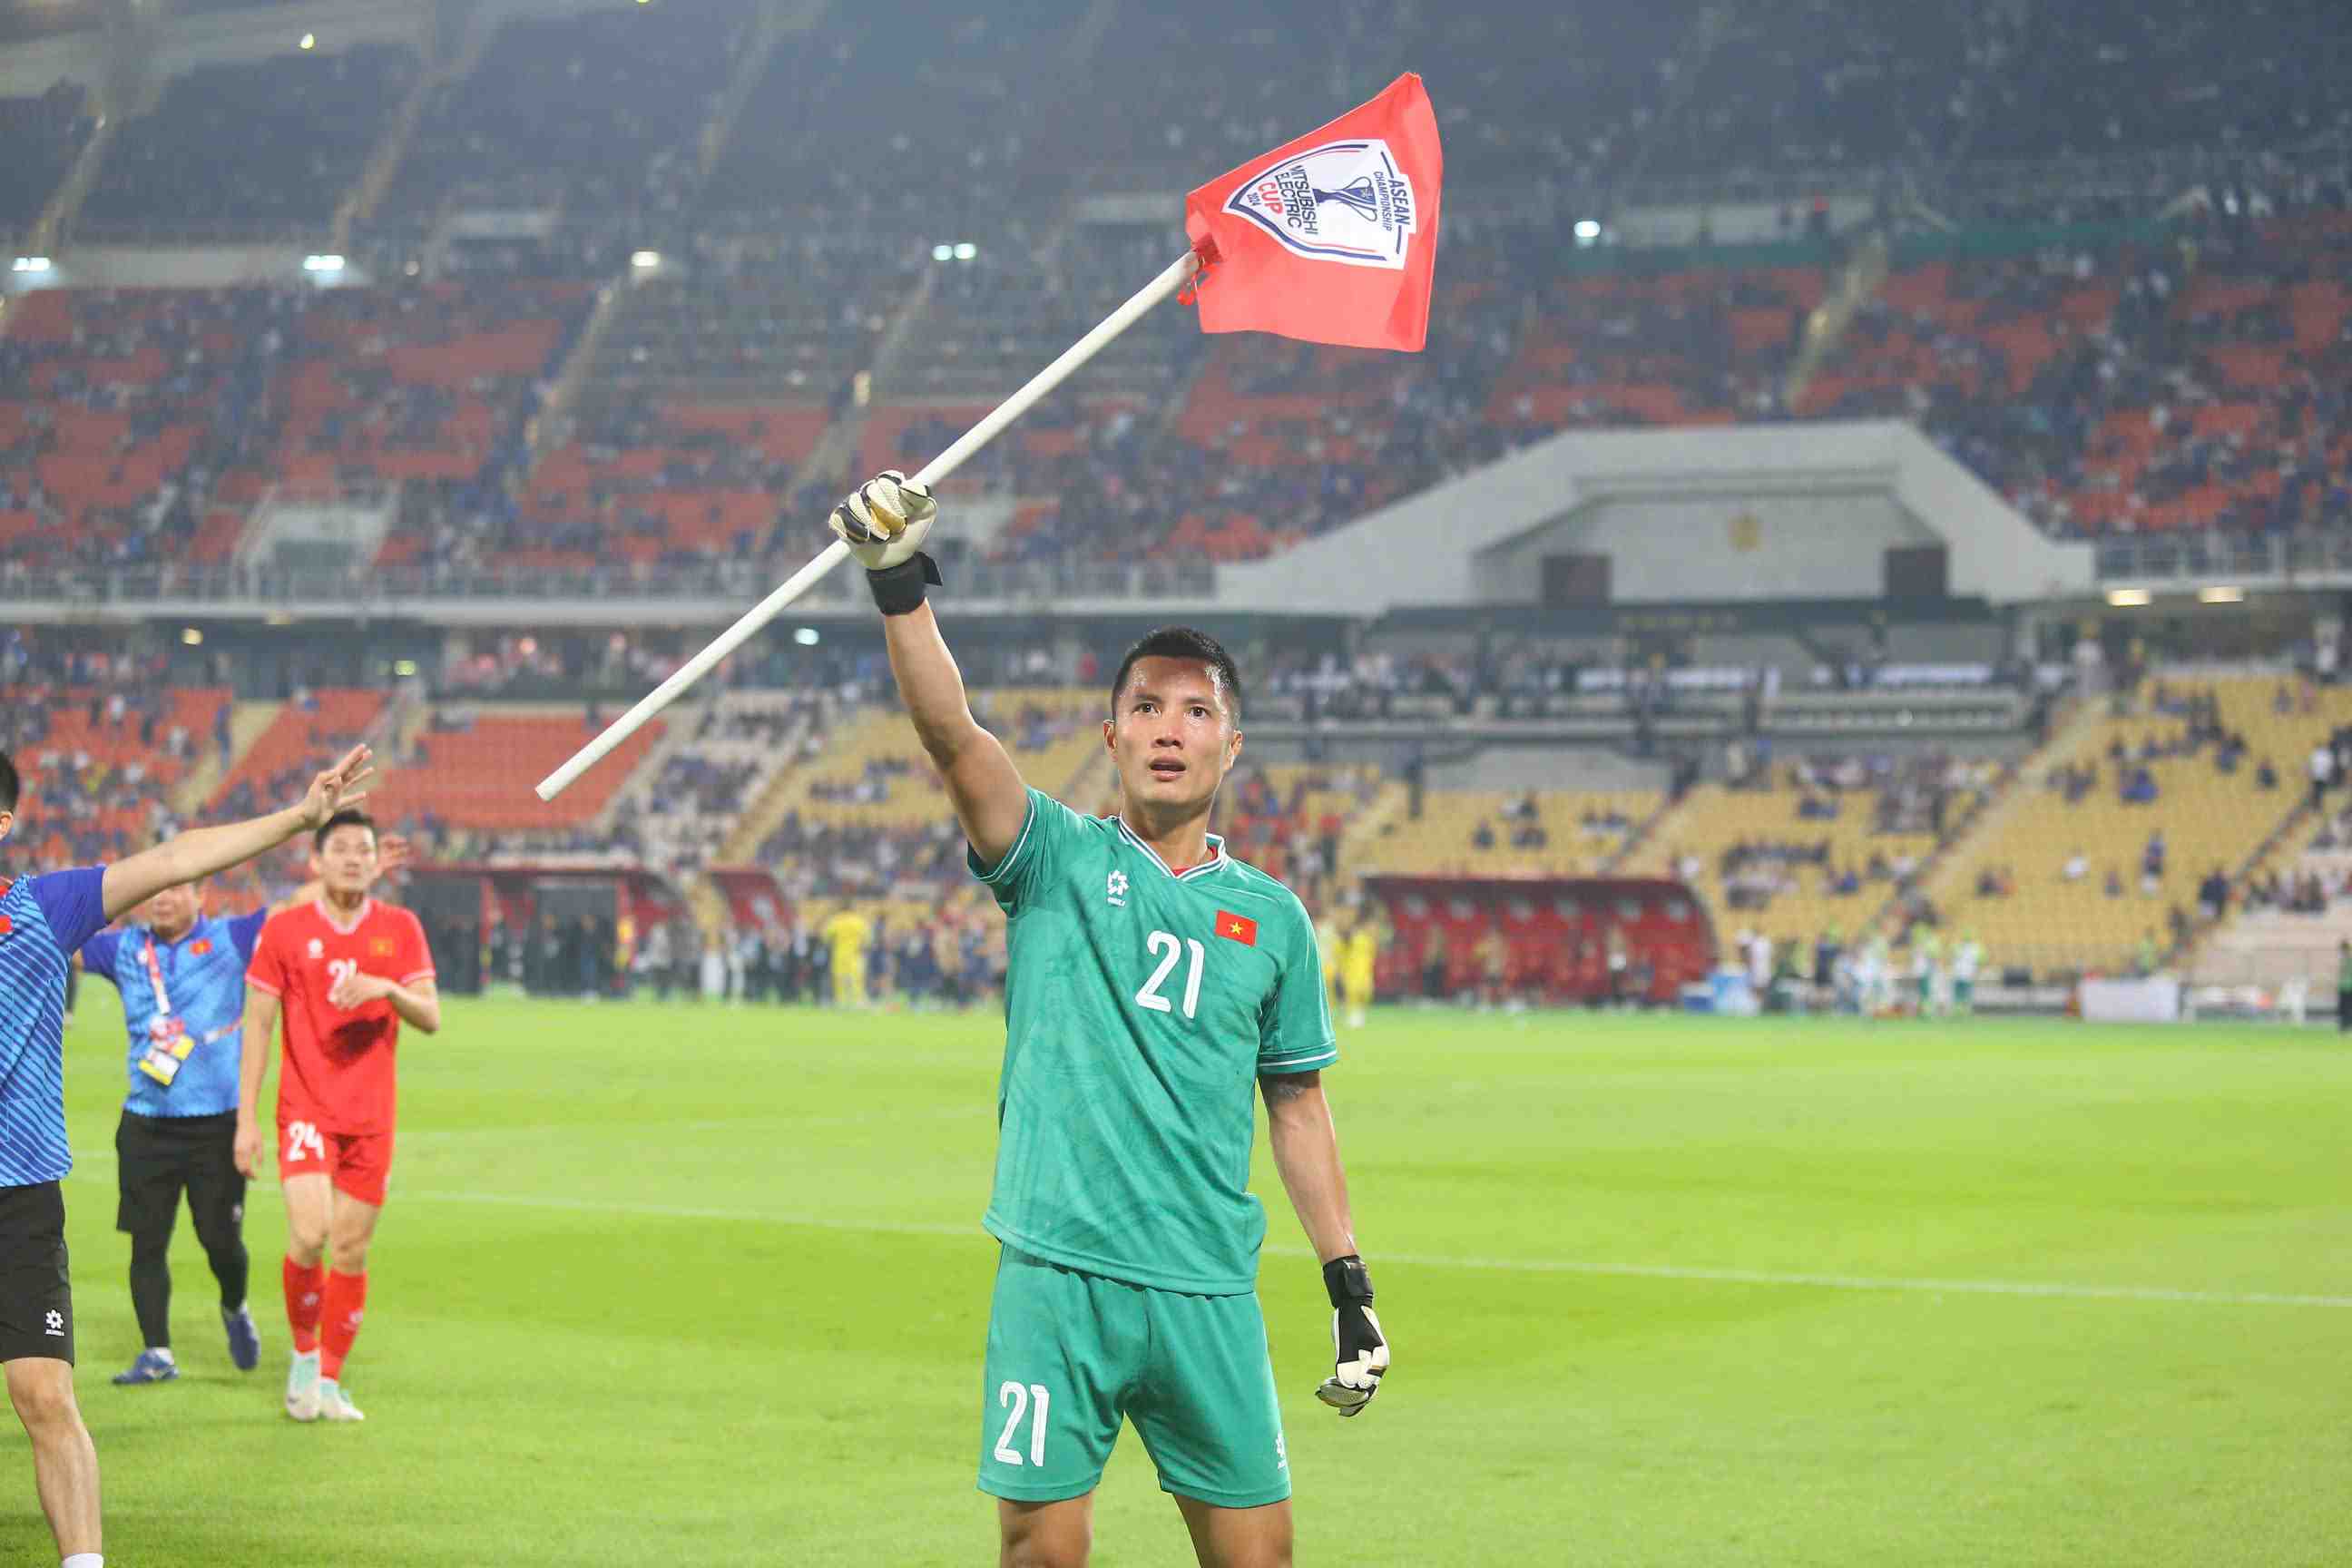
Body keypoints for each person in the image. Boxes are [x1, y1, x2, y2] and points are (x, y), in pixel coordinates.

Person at [829, 472, 1386, 1568]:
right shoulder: (1052, 858)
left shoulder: (1273, 919)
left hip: (1206, 1286)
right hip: (1058, 1275)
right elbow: (951, 733)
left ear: (1233, 746)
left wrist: (1348, 1281)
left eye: (1197, 711)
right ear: (1112, 735)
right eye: (1145, 707)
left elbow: (1300, 1105)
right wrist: (898, 583)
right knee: (1042, 1551)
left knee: (1260, 1559)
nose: (1168, 730)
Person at [0, 740, 375, 1568]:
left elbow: (175, 857)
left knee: (44, 1395)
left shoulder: (39, 910)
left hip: (16, 1196)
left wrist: (299, 818)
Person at [76, 837, 408, 1387]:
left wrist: (345, 881)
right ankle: (156, 1350)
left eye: (176, 887)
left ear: (202, 894)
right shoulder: (125, 950)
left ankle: (234, 1306)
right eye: (153, 890)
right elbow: (63, 942)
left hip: (216, 1124)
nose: (162, 898)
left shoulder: (230, 938)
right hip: (145, 1121)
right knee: (146, 1242)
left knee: (220, 1241)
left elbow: (287, 910)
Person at [236, 809, 439, 1425]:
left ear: (379, 862)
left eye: (364, 849)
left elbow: (430, 1016)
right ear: (316, 862)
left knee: (351, 1248)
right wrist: (246, 1119)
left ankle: (328, 1378)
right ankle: (303, 1353)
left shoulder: (401, 928)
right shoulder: (286, 931)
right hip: (305, 1107)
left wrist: (387, 989)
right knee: (311, 1232)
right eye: (341, 848)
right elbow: (260, 1024)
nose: (354, 857)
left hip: (372, 1116)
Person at [821, 905, 871, 1008]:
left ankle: (841, 1001)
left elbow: (826, 937)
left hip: (839, 954)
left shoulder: (835, 920)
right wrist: (863, 947)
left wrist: (833, 945)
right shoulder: (858, 921)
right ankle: (858, 1002)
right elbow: (868, 938)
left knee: (839, 979)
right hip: (855, 954)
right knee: (857, 978)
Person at [1339, 916, 1378, 1029]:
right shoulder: (1352, 939)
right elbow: (1343, 953)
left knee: (1365, 993)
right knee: (1352, 993)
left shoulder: (1368, 941)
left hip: (1365, 971)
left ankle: (1359, 1016)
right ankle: (1351, 1017)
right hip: (1352, 971)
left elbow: (1372, 956)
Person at [1950, 932, 1983, 1016]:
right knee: (1966, 994)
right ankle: (1965, 1011)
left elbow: (1952, 958)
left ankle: (1959, 1011)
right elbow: (1980, 961)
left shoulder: (1958, 946)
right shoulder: (1976, 947)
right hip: (1967, 974)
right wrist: (1977, 972)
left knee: (1959, 994)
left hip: (1959, 973)